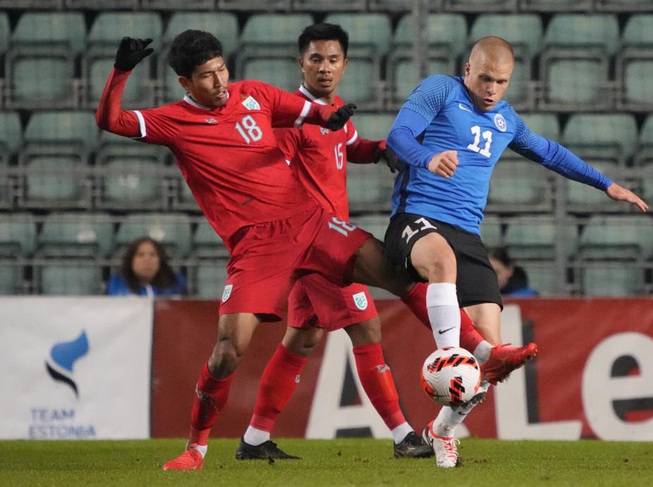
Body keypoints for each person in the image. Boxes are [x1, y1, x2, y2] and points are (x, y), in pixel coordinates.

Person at [96, 31, 527, 473]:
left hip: (313, 224)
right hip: (257, 245)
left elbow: (314, 115)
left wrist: (368, 137)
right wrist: (121, 72)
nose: (221, 81)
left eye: (222, 69)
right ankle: (196, 448)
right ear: (186, 83)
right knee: (228, 351)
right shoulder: (173, 121)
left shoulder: (256, 95)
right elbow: (111, 120)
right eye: (207, 76)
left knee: (392, 284)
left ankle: (476, 354)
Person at [385, 36, 649, 468]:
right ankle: (447, 356)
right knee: (442, 262)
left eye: (501, 81)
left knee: (494, 359)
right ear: (467, 70)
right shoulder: (439, 90)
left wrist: (607, 184)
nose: (491, 88)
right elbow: (398, 136)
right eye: (484, 77)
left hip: (466, 234)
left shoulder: (506, 121)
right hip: (415, 219)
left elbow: (550, 152)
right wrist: (428, 159)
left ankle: (440, 432)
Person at [236, 23, 431, 461]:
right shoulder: (290, 119)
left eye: (333, 60)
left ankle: (252, 440)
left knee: (302, 339)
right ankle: (402, 436)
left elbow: (350, 145)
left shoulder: (335, 110)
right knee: (366, 325)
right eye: (315, 59)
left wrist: (380, 149)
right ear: (300, 63)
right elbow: (270, 178)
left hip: (321, 240)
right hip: (317, 242)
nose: (324, 68)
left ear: (345, 64)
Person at [107, 236, 186, 296]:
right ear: (131, 260)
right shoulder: (116, 284)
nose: (147, 260)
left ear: (160, 260)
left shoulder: (176, 284)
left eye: (153, 255)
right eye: (140, 255)